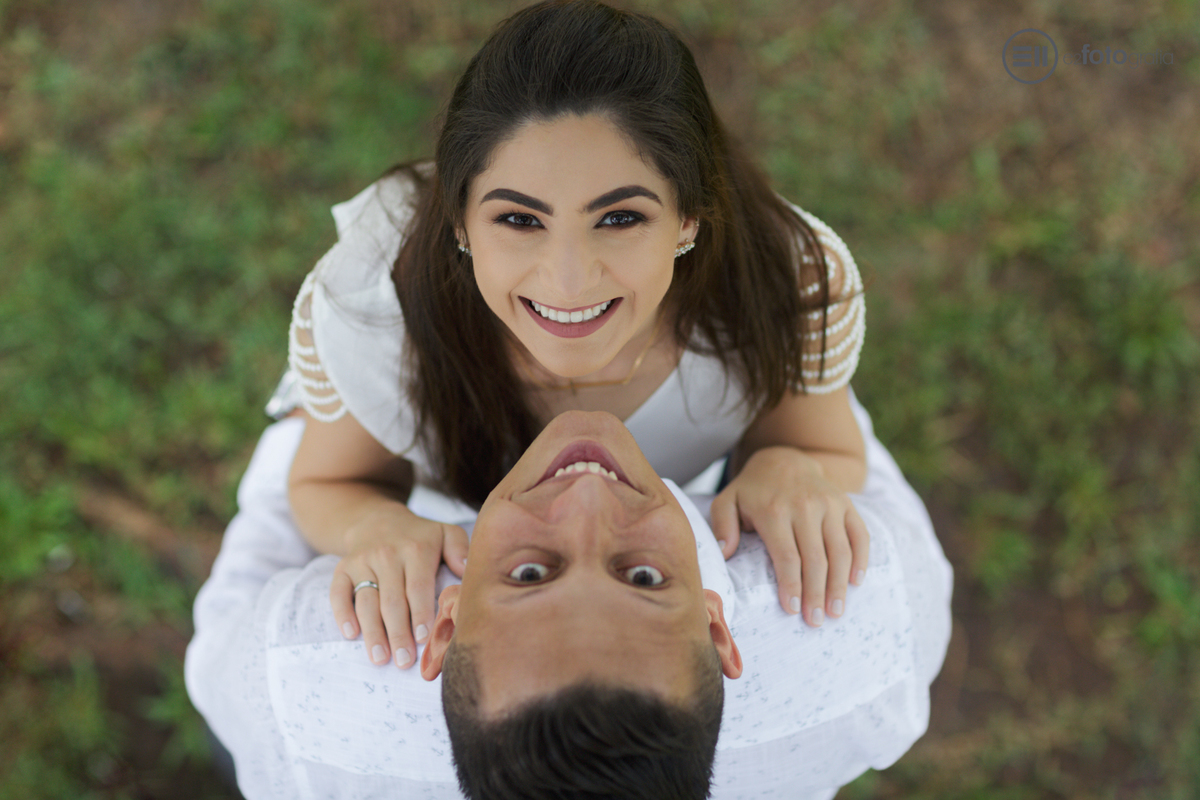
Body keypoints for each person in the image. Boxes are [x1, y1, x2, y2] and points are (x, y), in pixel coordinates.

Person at [282, 0, 873, 676]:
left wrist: (786, 465)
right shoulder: (379, 317)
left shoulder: (776, 285)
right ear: (459, 224)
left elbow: (829, 446)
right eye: (518, 220)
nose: (568, 282)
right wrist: (373, 524)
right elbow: (327, 479)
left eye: (620, 217)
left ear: (688, 219)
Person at [185, 404, 952, 799]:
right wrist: (790, 457)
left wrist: (348, 495)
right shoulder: (869, 620)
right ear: (721, 632)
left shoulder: (306, 672)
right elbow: (859, 458)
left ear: (444, 623)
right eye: (643, 577)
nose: (587, 498)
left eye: (528, 575)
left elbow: (221, 640)